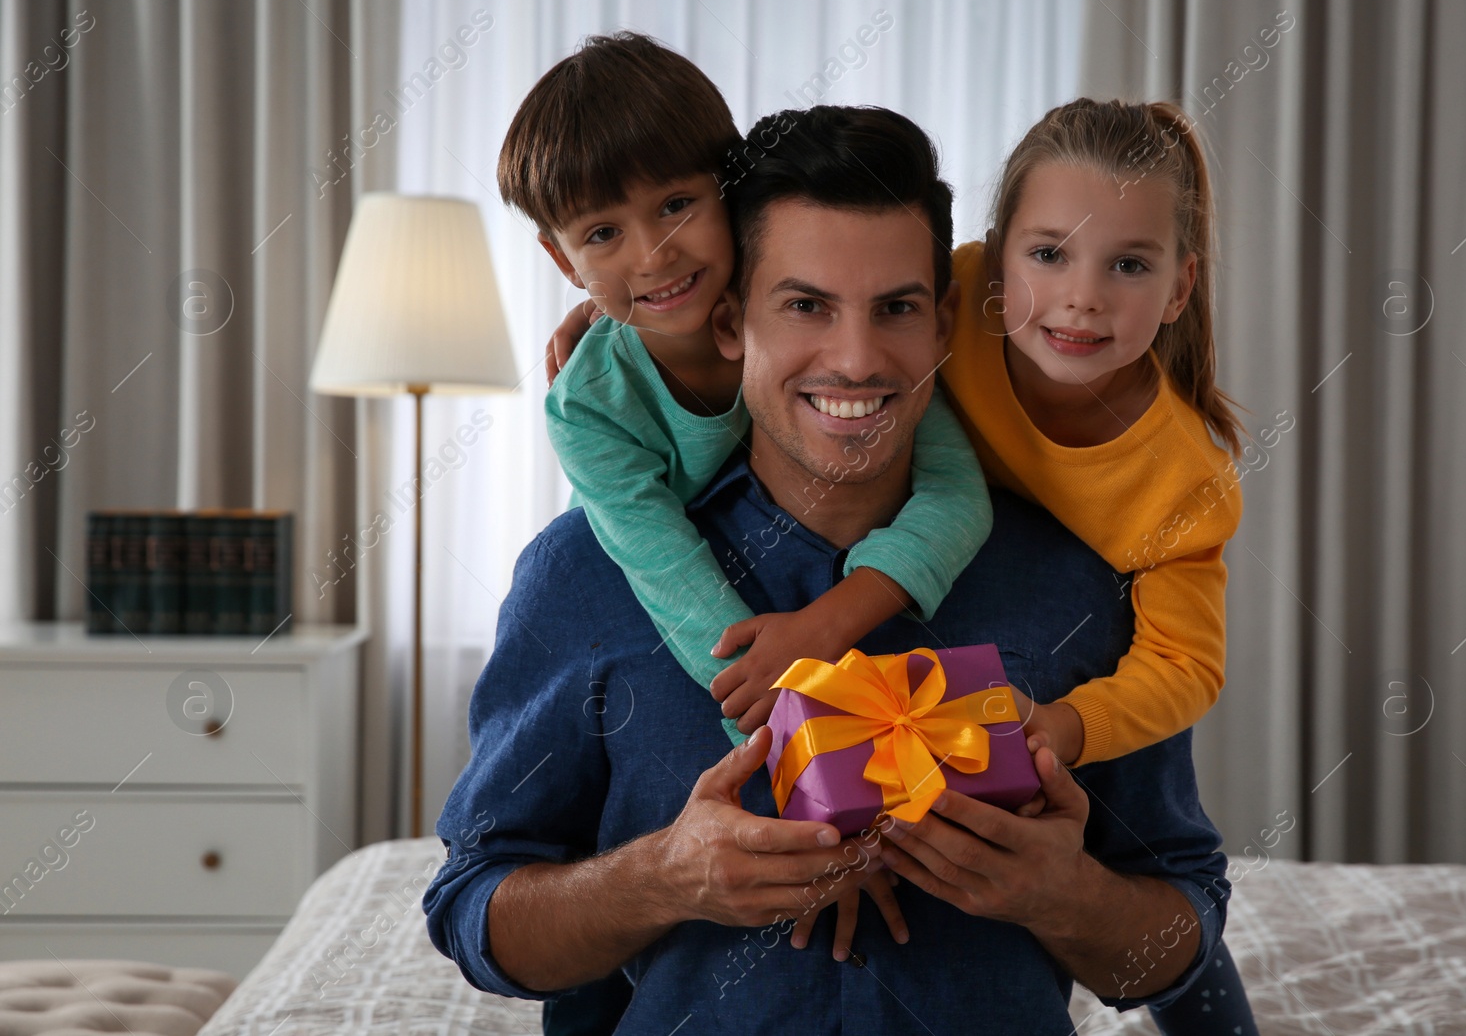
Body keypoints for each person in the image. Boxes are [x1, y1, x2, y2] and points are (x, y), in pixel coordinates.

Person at [425, 103, 1251, 1035]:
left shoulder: (1079, 588)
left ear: (945, 321)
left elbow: (1183, 931)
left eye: (896, 307)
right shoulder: (581, 576)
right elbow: (469, 912)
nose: (856, 361)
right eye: (806, 305)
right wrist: (662, 878)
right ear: (731, 320)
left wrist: (1063, 897)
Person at [501, 31, 992, 757]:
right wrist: (798, 752)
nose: (653, 253)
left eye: (675, 205)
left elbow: (956, 493)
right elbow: (677, 588)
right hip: (658, 580)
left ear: (728, 194)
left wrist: (827, 624)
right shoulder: (589, 407)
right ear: (561, 259)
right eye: (603, 232)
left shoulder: (844, 335)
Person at [938, 98, 1248, 773]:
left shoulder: (1184, 480)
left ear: (1179, 288)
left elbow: (1184, 662)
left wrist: (1068, 726)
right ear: (995, 263)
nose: (1083, 296)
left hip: (1044, 659)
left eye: (1129, 265)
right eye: (1049, 253)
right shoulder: (947, 298)